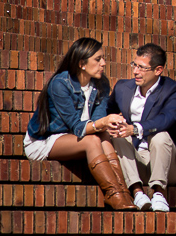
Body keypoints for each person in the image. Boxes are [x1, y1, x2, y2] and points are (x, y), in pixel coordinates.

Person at [23, 37, 138, 211]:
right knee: (92, 140)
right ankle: (113, 195)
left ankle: (123, 194)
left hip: (77, 136)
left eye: (103, 58)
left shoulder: (101, 84)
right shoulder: (60, 84)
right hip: (45, 140)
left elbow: (97, 124)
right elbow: (77, 127)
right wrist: (104, 121)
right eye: (98, 59)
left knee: (105, 136)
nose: (103, 63)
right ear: (82, 63)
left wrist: (108, 122)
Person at [108, 43, 176, 212]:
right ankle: (137, 192)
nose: (135, 72)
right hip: (134, 162)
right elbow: (106, 113)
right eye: (134, 65)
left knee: (160, 135)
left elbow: (168, 118)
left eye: (142, 67)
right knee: (118, 133)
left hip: (166, 164)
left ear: (158, 70)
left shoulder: (172, 90)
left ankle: (159, 194)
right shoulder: (122, 88)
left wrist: (136, 128)